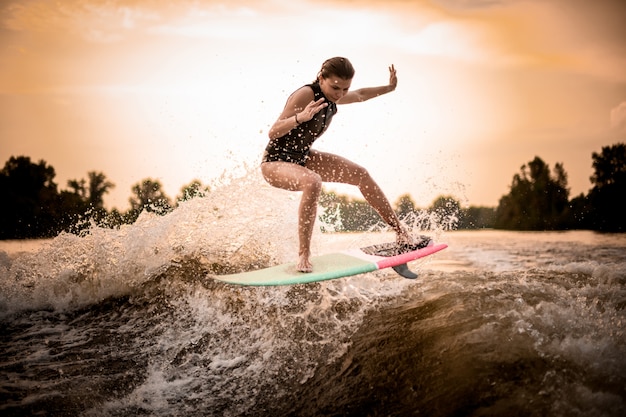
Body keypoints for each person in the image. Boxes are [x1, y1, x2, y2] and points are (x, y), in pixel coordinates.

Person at [262, 57, 414, 273]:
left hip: (302, 157)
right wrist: (300, 117)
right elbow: (274, 131)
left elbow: (360, 95)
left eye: (345, 89)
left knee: (361, 174)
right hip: (275, 162)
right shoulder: (306, 94)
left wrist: (389, 88)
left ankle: (401, 232)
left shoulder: (334, 96)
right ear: (321, 78)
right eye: (335, 87)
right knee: (313, 181)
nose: (339, 94)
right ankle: (304, 254)